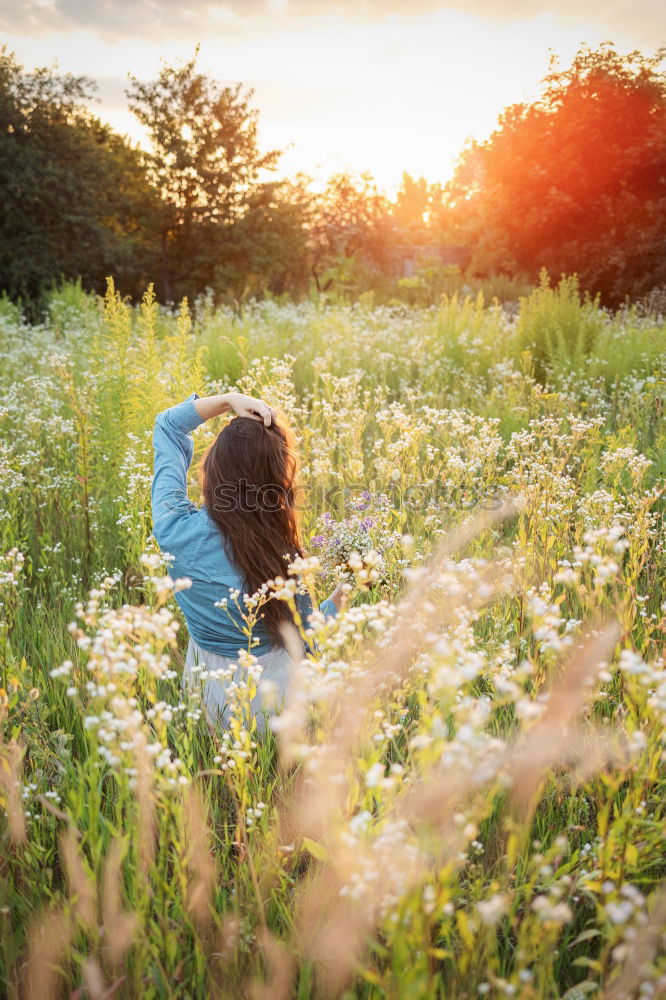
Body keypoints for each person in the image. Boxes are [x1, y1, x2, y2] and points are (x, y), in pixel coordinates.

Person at [151, 391, 341, 732]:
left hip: (206, 693)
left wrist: (228, 400)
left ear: (213, 468)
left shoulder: (174, 532)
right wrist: (344, 593)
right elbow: (308, 637)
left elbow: (167, 426)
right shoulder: (279, 554)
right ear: (276, 482)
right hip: (274, 701)